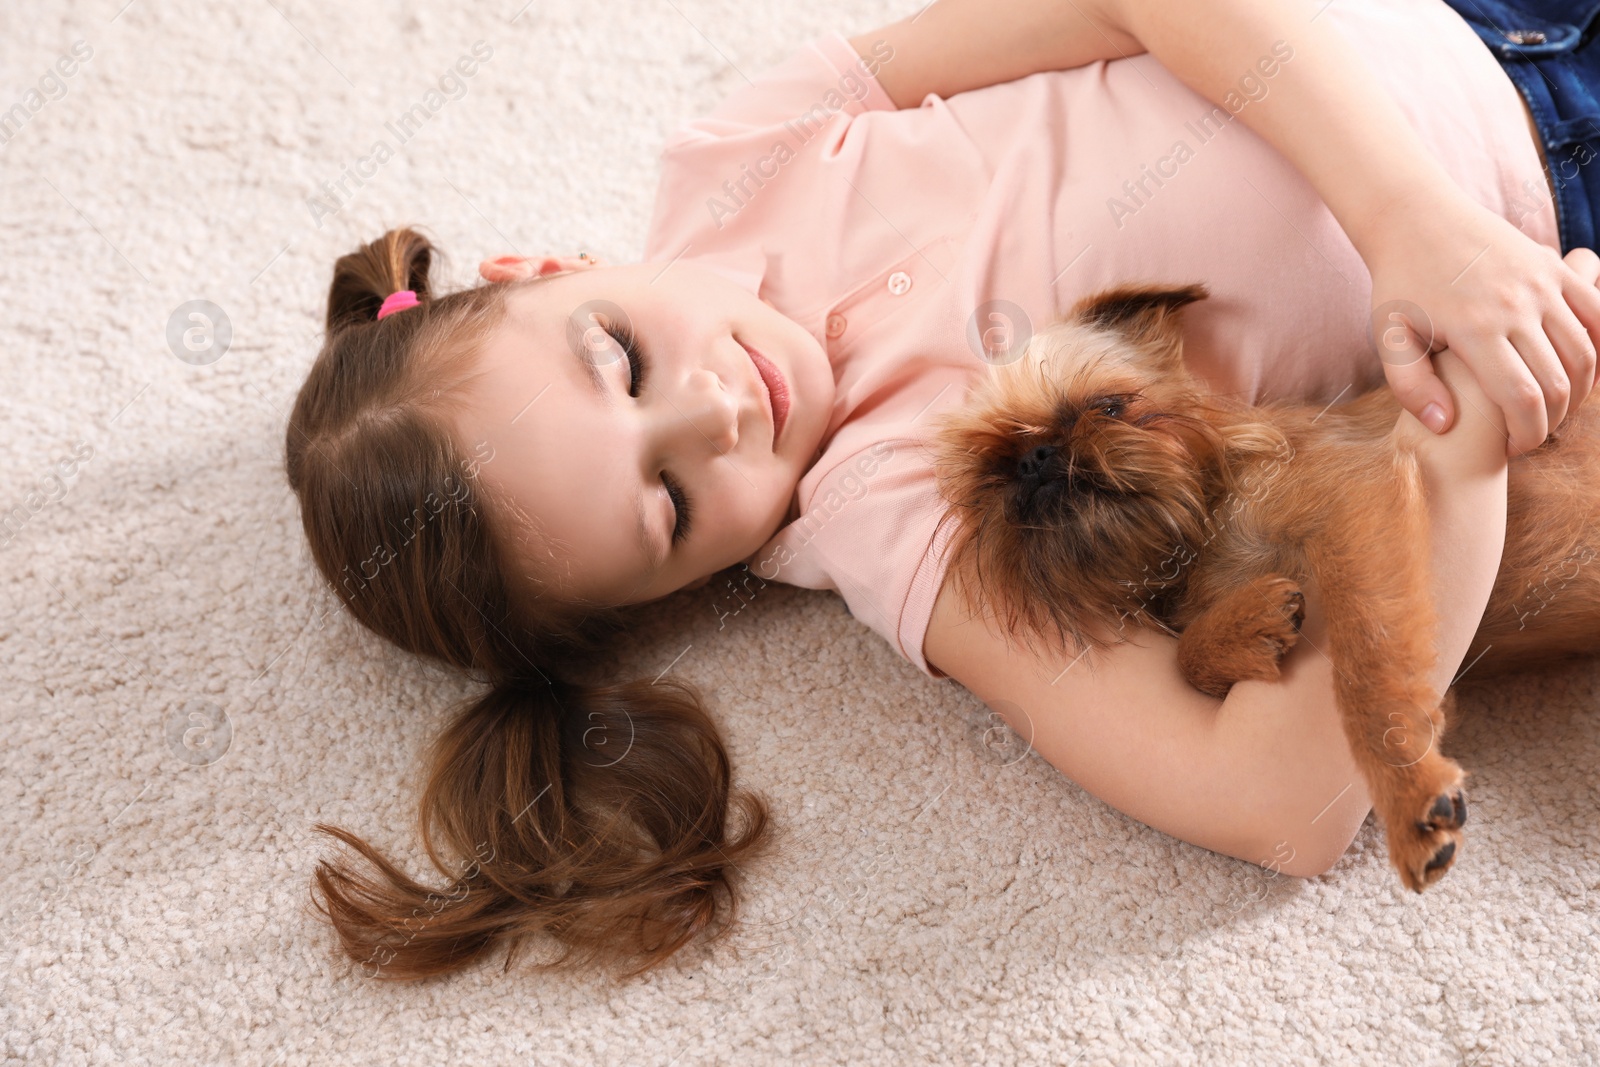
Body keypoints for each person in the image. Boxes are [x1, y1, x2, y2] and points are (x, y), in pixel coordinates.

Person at [286, 0, 1600, 980]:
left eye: (618, 359)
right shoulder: (888, 517)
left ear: (537, 270)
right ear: (686, 585)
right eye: (673, 504)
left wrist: (1409, 220)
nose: (721, 407)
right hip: (1556, 236)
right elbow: (1275, 807)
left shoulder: (741, 151)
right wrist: (1471, 415)